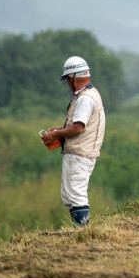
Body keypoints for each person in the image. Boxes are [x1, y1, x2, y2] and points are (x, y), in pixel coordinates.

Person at [41, 55, 106, 227]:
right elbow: (76, 126)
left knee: (76, 195)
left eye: (68, 79)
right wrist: (59, 131)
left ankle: (83, 232)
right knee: (69, 195)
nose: (68, 83)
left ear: (74, 78)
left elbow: (78, 128)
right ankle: (81, 232)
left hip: (80, 154)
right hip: (81, 152)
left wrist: (55, 135)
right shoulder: (91, 94)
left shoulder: (85, 98)